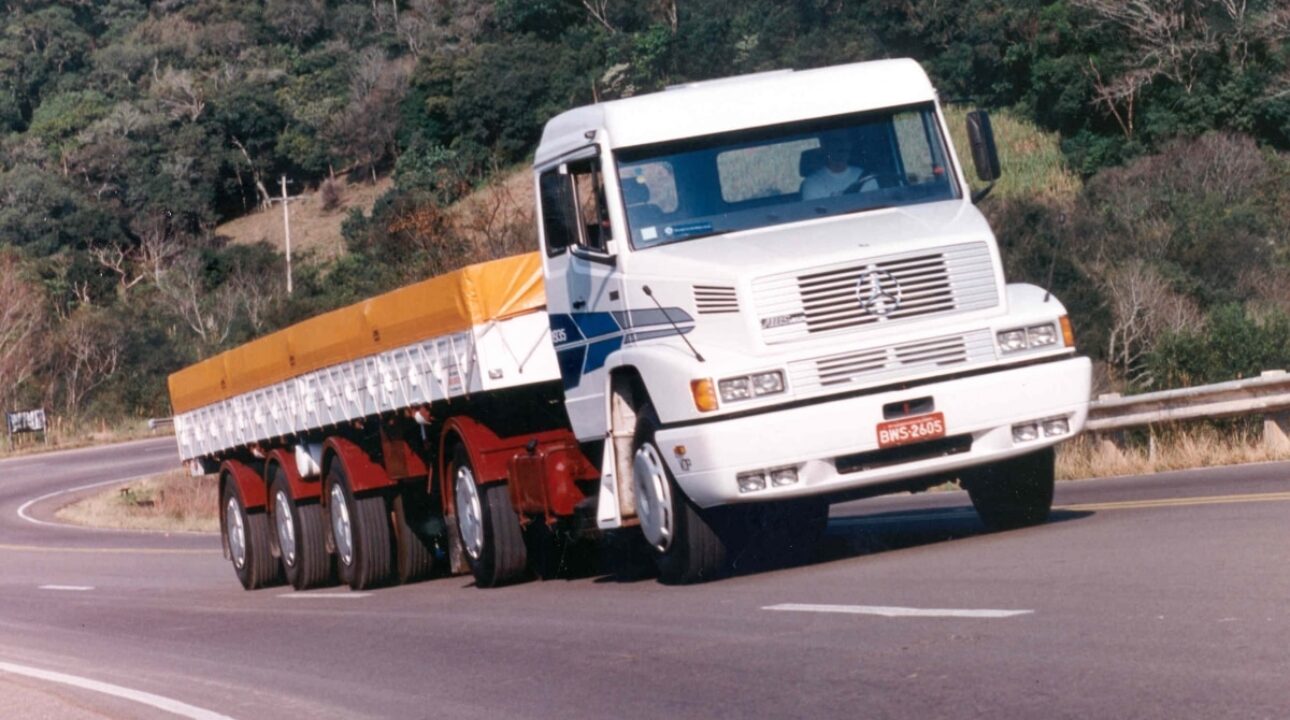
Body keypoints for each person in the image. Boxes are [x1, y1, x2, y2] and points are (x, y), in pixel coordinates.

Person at [801, 132, 876, 200]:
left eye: (846, 141)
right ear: (826, 147)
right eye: (837, 141)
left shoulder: (865, 178)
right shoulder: (812, 184)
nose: (843, 145)